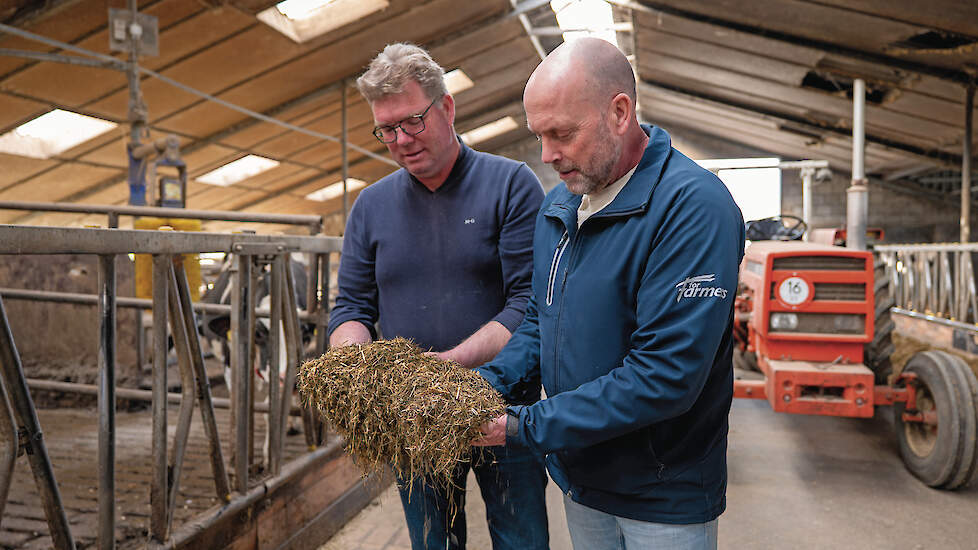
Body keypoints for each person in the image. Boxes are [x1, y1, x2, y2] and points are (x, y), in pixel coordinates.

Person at [473, 37, 745, 549]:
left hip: (662, 496)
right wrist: (481, 386)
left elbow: (664, 377)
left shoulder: (691, 207)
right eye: (539, 136)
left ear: (620, 112)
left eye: (562, 133)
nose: (548, 154)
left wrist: (520, 426)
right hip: (582, 480)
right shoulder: (560, 206)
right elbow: (539, 319)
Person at [327, 43, 549, 550]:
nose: (401, 140)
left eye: (412, 122)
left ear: (446, 108)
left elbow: (526, 304)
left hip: (502, 406)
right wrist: (356, 358)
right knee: (433, 542)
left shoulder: (511, 185)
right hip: (412, 414)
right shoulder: (371, 206)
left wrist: (450, 365)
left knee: (521, 539)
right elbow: (352, 308)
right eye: (386, 129)